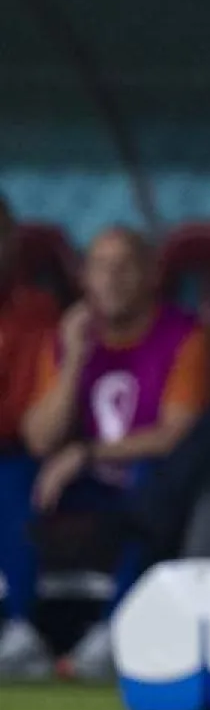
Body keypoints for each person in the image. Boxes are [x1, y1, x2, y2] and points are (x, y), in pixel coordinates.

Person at [7, 227, 210, 679]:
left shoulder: (184, 337)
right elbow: (40, 438)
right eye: (101, 267)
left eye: (125, 266)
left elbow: (175, 435)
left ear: (151, 274)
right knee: (15, 476)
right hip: (87, 485)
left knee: (150, 482)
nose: (112, 279)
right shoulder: (69, 338)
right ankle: (21, 629)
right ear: (85, 278)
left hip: (146, 481)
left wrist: (86, 453)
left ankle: (112, 631)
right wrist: (75, 359)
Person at [0, 197, 63, 676]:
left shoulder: (36, 310)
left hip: (14, 451)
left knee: (17, 482)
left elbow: (24, 414)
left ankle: (19, 628)